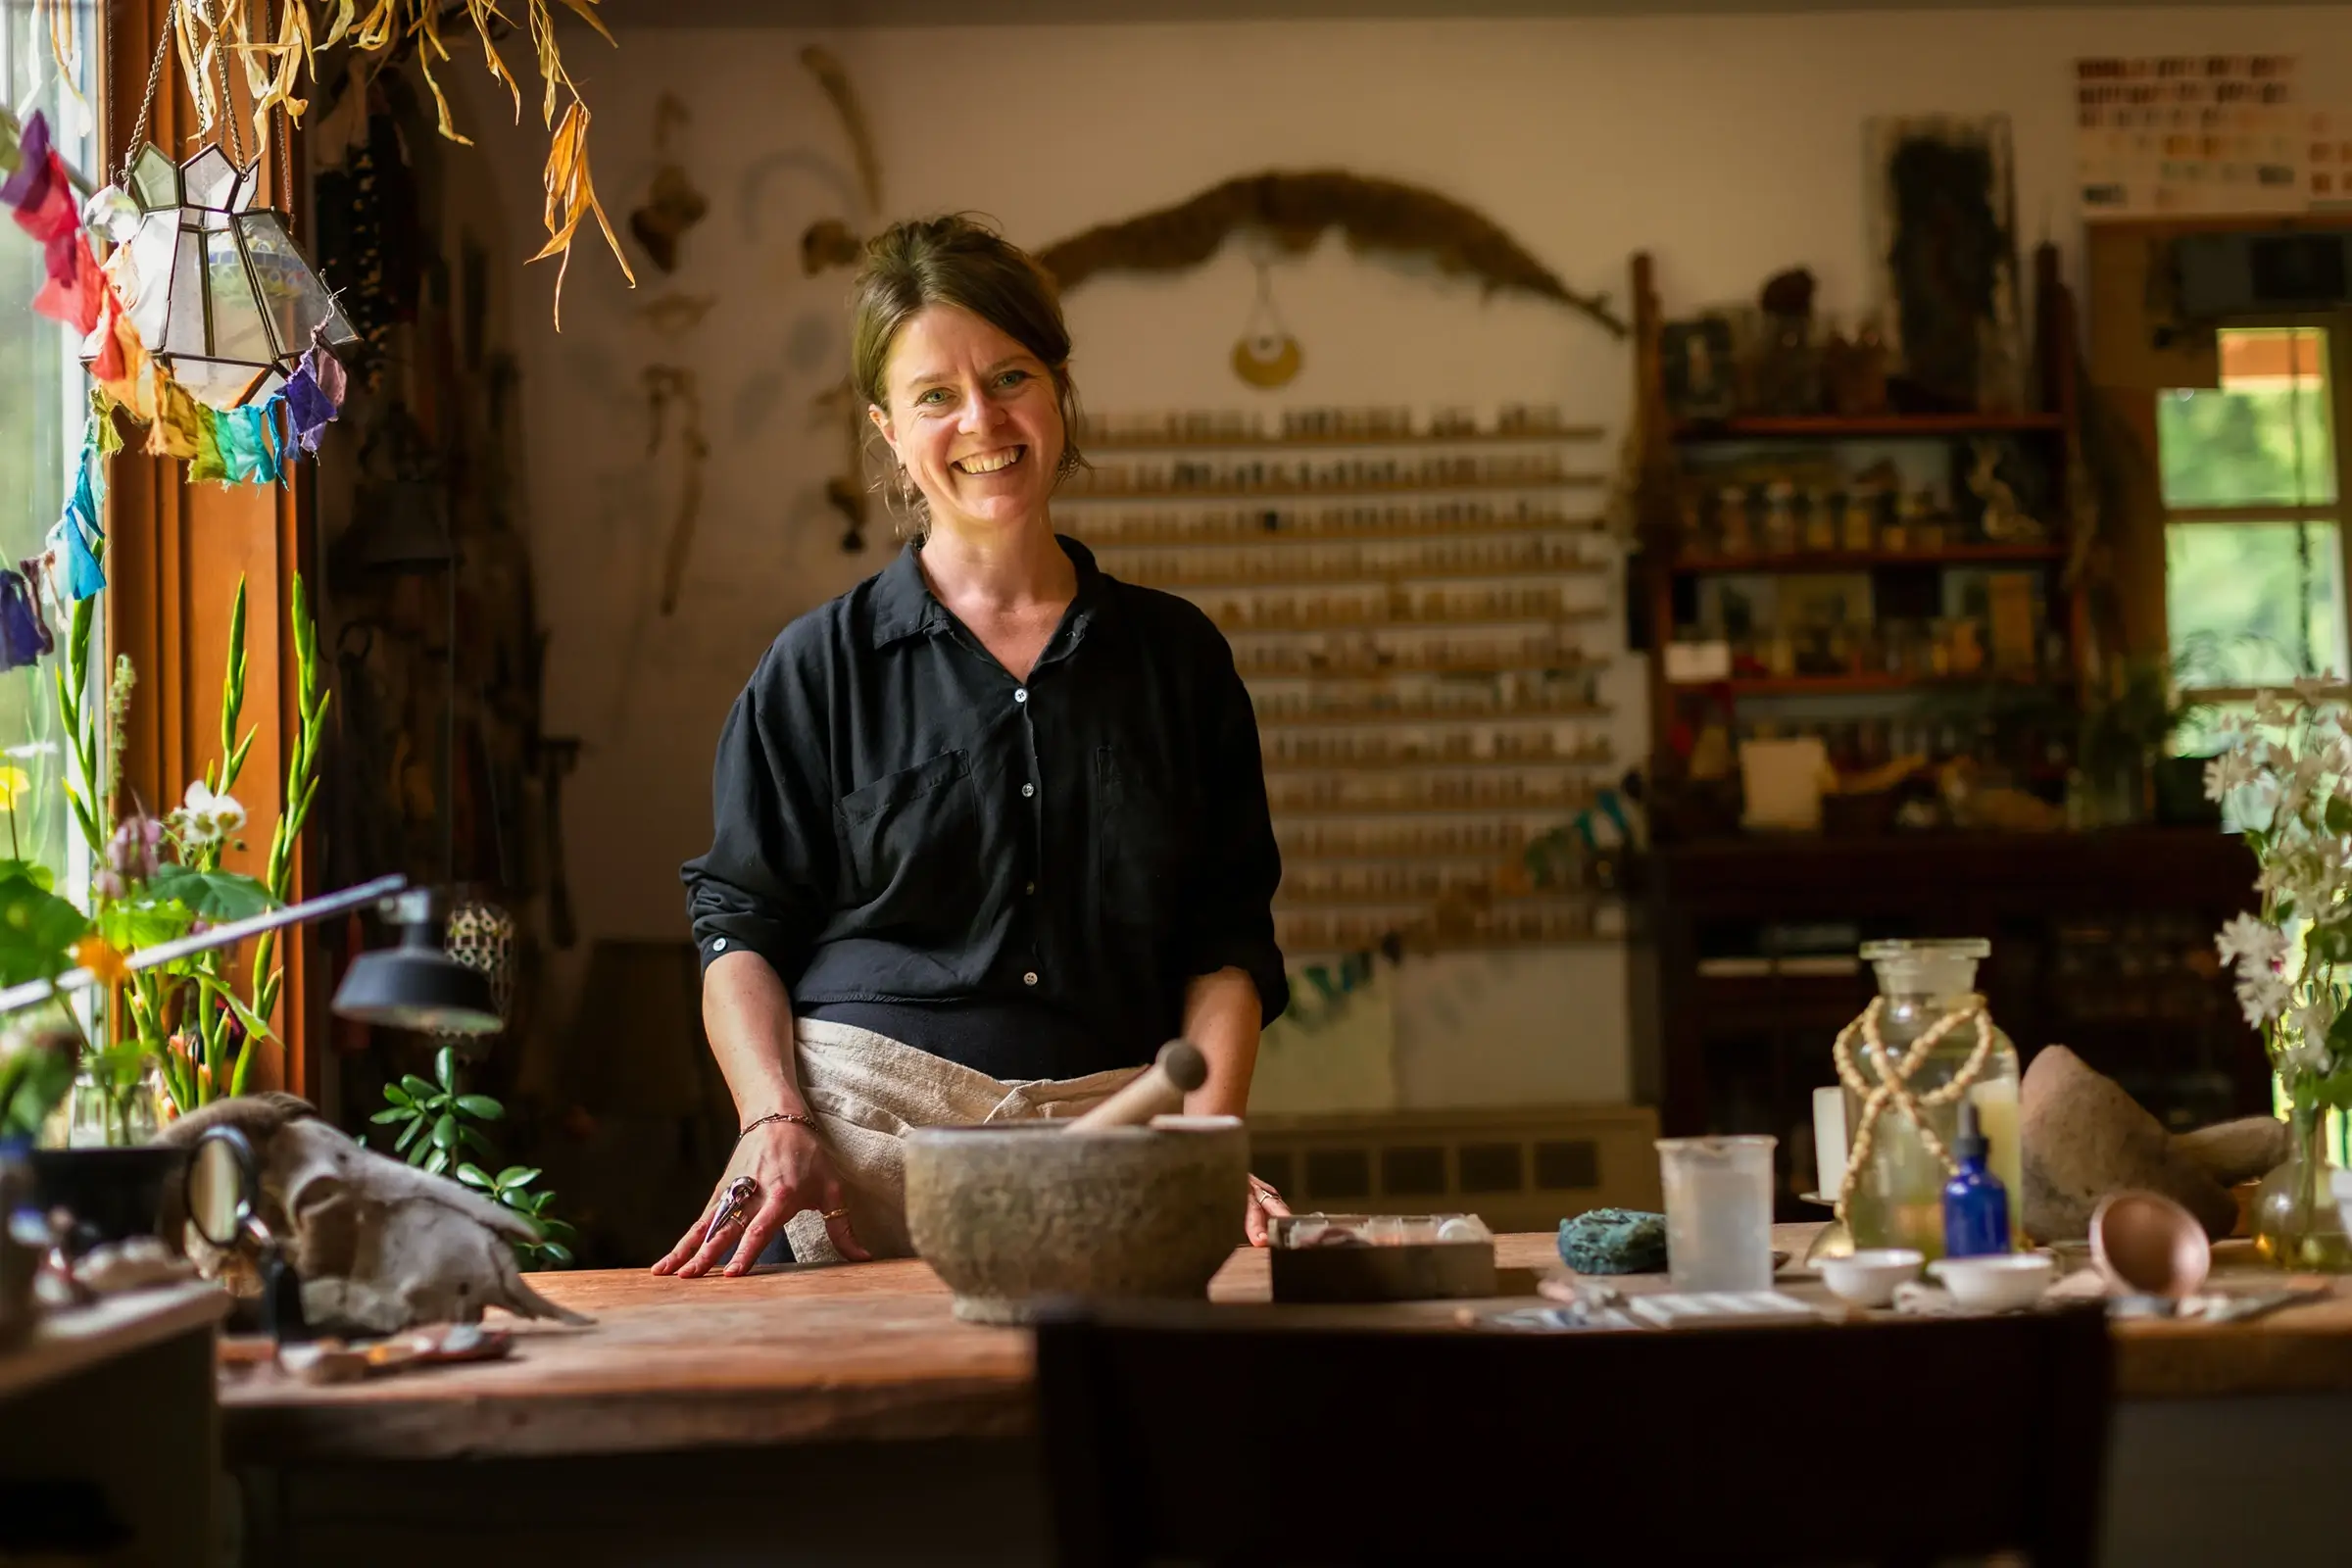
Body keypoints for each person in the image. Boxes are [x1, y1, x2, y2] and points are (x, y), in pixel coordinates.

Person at [655, 215, 1291, 1279]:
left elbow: (1226, 941)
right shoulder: (818, 668)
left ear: (1058, 391)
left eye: (1010, 376)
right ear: (888, 430)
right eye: (936, 396)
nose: (981, 419)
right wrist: (774, 1119)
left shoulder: (1177, 660)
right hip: (860, 1156)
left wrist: (1207, 1136)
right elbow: (739, 929)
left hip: (1117, 1144)